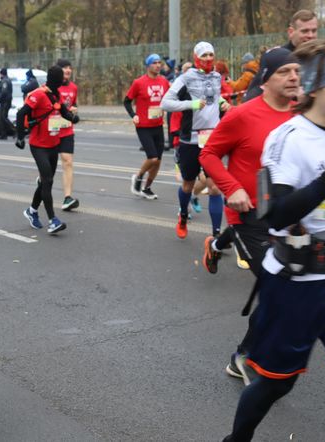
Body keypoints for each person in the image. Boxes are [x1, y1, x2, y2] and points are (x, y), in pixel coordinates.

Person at [223, 38, 325, 442]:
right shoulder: (288, 137)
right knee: (274, 384)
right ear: (316, 87)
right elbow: (277, 214)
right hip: (295, 287)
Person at [199, 48, 301, 384]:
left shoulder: (303, 116)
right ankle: (243, 356)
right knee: (279, 286)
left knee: (295, 284)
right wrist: (231, 188)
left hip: (288, 215)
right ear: (267, 78)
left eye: (296, 72)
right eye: (285, 72)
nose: (294, 77)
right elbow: (210, 154)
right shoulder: (243, 115)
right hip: (248, 215)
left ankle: (216, 243)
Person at [162, 42, 231, 239]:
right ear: (196, 58)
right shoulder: (185, 78)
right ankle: (183, 215)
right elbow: (165, 103)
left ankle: (216, 235)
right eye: (205, 55)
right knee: (187, 186)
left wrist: (222, 102)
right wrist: (191, 104)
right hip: (190, 140)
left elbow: (213, 98)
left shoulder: (217, 76)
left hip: (212, 139)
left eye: (211, 54)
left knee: (215, 187)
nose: (209, 58)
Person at [16, 65, 79, 235]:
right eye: (61, 78)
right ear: (56, 80)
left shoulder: (55, 94)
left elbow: (63, 111)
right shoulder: (38, 95)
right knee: (48, 180)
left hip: (53, 144)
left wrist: (73, 118)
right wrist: (20, 137)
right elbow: (21, 114)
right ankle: (53, 220)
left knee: (45, 181)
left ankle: (32, 211)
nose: (64, 81)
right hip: (38, 145)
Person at [244, 9, 317, 102]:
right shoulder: (277, 57)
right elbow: (254, 93)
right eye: (305, 31)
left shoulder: (321, 58)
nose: (310, 35)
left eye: (314, 31)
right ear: (291, 32)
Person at [124, 53, 170, 200]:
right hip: (143, 125)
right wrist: (133, 115)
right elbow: (127, 101)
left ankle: (147, 187)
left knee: (158, 161)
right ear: (148, 65)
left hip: (158, 125)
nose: (158, 65)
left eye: (159, 63)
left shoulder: (164, 82)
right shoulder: (139, 82)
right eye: (154, 63)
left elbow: (170, 97)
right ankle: (138, 177)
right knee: (152, 158)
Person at [56, 59, 80, 211]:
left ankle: (67, 197)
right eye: (65, 67)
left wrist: (74, 110)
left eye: (70, 67)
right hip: (51, 131)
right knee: (48, 168)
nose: (68, 70)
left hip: (67, 129)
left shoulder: (73, 87)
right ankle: (43, 184)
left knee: (67, 161)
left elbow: (74, 104)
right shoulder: (51, 87)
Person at [0, 67, 12, 140]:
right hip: (5, 101)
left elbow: (4, 92)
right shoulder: (5, 80)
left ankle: (15, 130)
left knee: (4, 118)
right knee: (2, 118)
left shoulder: (5, 81)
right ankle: (3, 134)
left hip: (5, 102)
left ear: (2, 73)